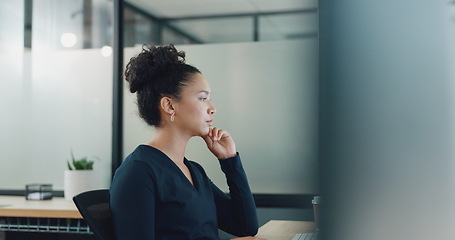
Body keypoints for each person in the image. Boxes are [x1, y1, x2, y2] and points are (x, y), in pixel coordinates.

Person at [109, 44, 265, 240]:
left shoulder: (194, 172)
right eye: (202, 98)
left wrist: (230, 160)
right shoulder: (138, 171)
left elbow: (246, 227)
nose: (212, 108)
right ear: (169, 105)